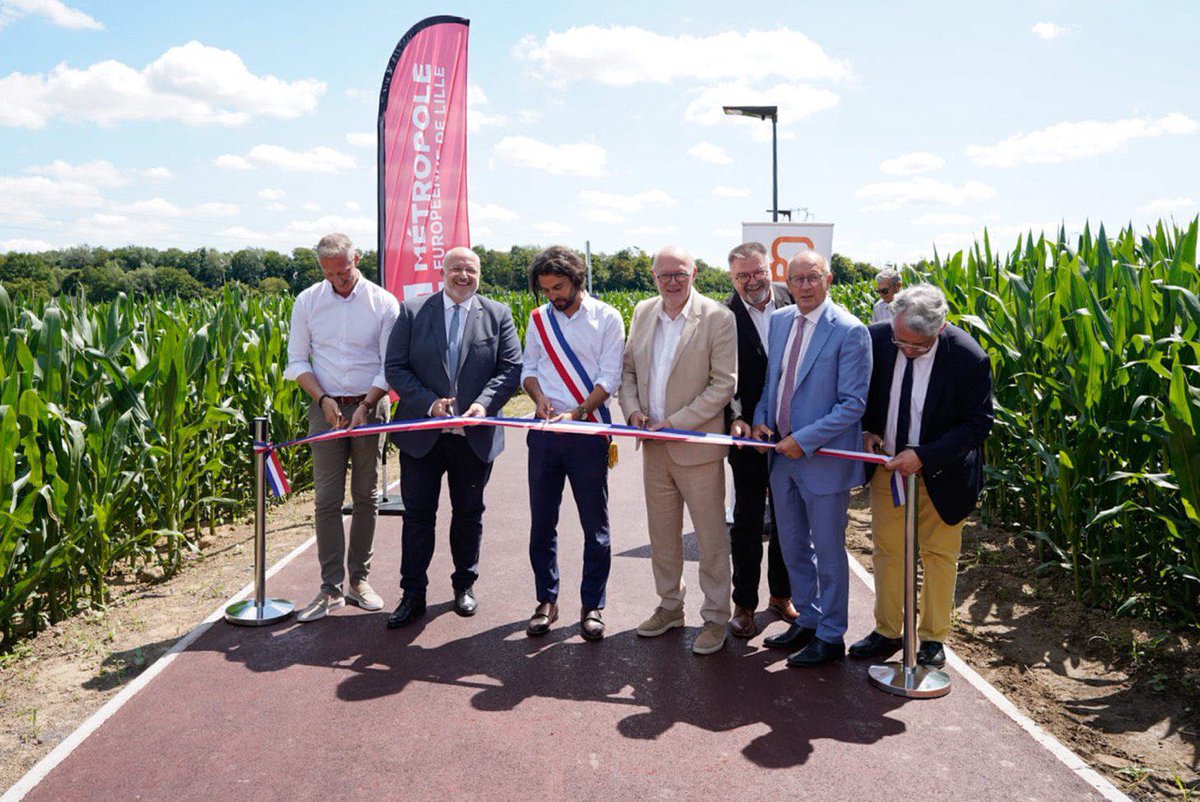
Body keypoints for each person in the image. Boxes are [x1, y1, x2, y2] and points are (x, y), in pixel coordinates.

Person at [848, 284, 994, 668]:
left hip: (944, 472)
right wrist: (867, 429)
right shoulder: (878, 339)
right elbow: (856, 394)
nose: (907, 351)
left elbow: (977, 424)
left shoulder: (969, 357)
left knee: (939, 555)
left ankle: (932, 638)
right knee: (888, 551)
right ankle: (887, 631)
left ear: (939, 328)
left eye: (918, 346)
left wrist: (924, 456)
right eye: (902, 342)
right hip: (890, 468)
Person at [383, 246, 522, 628]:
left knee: (468, 515)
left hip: (473, 438)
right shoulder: (412, 311)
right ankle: (413, 593)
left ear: (479, 275)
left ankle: (464, 585)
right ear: (442, 273)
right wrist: (429, 404)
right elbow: (395, 367)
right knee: (417, 518)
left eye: (471, 270)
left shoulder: (498, 315)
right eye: (457, 269)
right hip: (422, 436)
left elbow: (510, 368)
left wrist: (483, 404)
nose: (464, 276)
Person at [751, 251, 871, 667]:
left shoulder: (851, 331)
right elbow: (774, 381)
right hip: (780, 455)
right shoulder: (781, 321)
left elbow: (852, 404)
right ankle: (808, 617)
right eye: (796, 278)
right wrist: (761, 419)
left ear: (828, 279)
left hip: (821, 459)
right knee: (793, 544)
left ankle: (832, 634)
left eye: (812, 278)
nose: (804, 286)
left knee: (829, 551)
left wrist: (803, 440)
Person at [618, 245, 737, 655]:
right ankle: (670, 606)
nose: (672, 282)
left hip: (696, 449)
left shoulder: (719, 318)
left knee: (710, 540)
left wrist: (678, 422)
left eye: (680, 274)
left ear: (695, 273)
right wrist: (632, 412)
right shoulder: (643, 311)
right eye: (664, 275)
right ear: (653, 276)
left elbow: (723, 384)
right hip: (653, 447)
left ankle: (716, 618)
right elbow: (629, 370)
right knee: (662, 536)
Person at [285, 233, 399, 623]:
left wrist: (367, 404)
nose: (338, 280)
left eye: (344, 271)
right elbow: (297, 361)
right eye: (330, 274)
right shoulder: (307, 301)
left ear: (357, 259)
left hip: (371, 404)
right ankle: (330, 587)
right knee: (326, 499)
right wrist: (323, 400)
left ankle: (360, 581)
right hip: (326, 406)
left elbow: (390, 363)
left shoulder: (383, 303)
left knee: (366, 496)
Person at [520, 246, 625, 640]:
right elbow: (529, 368)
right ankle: (546, 599)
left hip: (588, 431)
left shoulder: (607, 318)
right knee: (542, 522)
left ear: (577, 279)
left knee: (594, 525)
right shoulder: (538, 319)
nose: (553, 296)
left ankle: (592, 604)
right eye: (545, 289)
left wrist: (578, 413)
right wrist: (538, 397)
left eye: (559, 286)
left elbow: (609, 377)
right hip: (545, 434)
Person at [724, 242, 797, 638]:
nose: (752, 281)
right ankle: (745, 603)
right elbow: (723, 378)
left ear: (771, 269)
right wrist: (739, 420)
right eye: (742, 276)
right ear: (732, 278)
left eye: (757, 272)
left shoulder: (794, 301)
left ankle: (782, 596)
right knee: (748, 520)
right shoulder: (723, 315)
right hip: (747, 435)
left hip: (793, 433)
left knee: (789, 517)